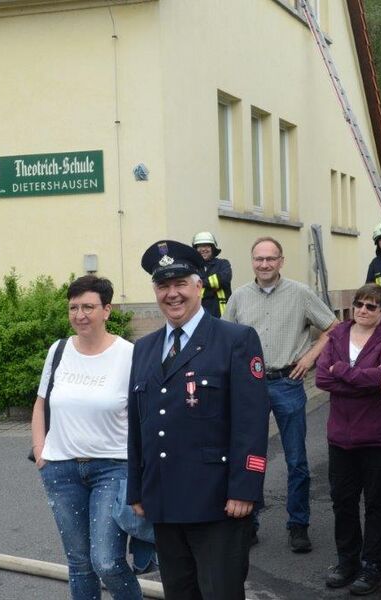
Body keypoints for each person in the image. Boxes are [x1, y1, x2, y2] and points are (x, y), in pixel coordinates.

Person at [127, 240, 270, 600]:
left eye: (180, 284)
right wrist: (136, 489)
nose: (172, 294)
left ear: (199, 285)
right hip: (164, 499)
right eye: (163, 286)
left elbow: (251, 422)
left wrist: (244, 487)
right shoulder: (144, 349)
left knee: (220, 592)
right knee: (179, 593)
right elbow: (138, 426)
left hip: (217, 500)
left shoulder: (235, 339)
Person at [31, 275, 143, 600]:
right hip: (61, 470)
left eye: (88, 307)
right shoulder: (59, 350)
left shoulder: (129, 354)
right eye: (74, 307)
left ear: (106, 310)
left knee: (106, 561)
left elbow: (142, 416)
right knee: (79, 562)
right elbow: (41, 404)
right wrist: (41, 452)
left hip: (113, 469)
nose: (80, 314)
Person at [224, 236, 337, 552]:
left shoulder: (301, 293)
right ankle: (250, 524)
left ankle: (298, 525)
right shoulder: (239, 297)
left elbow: (332, 329)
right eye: (259, 259)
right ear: (252, 261)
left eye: (270, 259)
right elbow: (225, 338)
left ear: (281, 261)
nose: (264, 264)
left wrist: (309, 358)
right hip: (250, 386)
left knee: (297, 460)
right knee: (251, 457)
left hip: (287, 382)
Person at [316, 284, 381, 595]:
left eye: (371, 306)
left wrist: (341, 370)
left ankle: (372, 567)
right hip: (341, 435)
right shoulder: (339, 333)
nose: (363, 311)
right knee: (343, 502)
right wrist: (367, 381)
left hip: (380, 437)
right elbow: (321, 378)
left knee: (376, 502)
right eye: (359, 305)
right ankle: (347, 561)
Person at [192, 231, 232, 318]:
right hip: (198, 316)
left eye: (206, 245)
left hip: (222, 316)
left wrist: (200, 283)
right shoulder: (192, 267)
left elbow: (224, 279)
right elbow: (190, 286)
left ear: (213, 248)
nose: (203, 249)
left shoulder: (223, 263)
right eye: (199, 246)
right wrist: (213, 287)